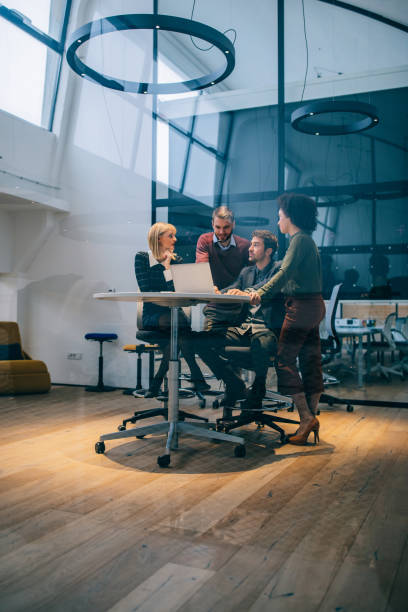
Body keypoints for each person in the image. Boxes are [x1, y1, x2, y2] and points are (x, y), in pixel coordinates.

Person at [248, 194, 325, 445]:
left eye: (280, 216)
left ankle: (305, 418)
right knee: (310, 361)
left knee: (284, 360)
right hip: (313, 305)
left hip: (301, 307)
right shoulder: (307, 241)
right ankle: (310, 418)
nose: (278, 219)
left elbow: (284, 272)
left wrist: (260, 293)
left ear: (290, 217)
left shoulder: (299, 240)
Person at [195, 230, 284, 408]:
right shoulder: (247, 272)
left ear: (269, 251)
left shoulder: (279, 269)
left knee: (261, 341)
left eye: (256, 245)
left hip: (268, 330)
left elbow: (269, 286)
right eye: (250, 244)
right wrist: (216, 290)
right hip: (243, 328)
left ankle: (258, 389)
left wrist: (247, 292)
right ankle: (234, 383)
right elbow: (231, 289)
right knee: (201, 341)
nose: (250, 249)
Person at [134, 222, 209, 397]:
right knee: (181, 329)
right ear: (158, 238)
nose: (175, 239)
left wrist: (168, 266)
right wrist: (165, 270)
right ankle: (196, 375)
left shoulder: (176, 260)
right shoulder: (142, 258)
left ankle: (156, 383)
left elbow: (177, 292)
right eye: (171, 236)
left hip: (174, 315)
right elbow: (147, 291)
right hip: (152, 315)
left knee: (174, 340)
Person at [196, 206, 251, 331]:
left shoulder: (245, 246)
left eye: (226, 227)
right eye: (217, 227)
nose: (221, 232)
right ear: (212, 224)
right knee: (207, 341)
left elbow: (251, 276)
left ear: (233, 225)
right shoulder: (205, 240)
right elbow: (201, 266)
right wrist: (208, 285)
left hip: (239, 306)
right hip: (214, 306)